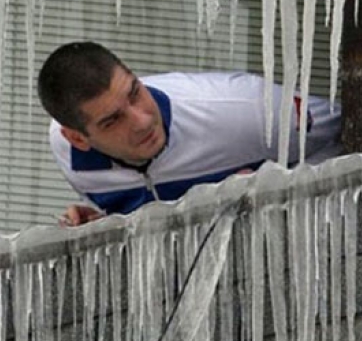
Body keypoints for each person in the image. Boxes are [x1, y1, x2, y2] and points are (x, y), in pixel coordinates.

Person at [37, 41, 343, 225]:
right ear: (78, 138)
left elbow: (352, 134)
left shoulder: (248, 110)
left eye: (134, 93)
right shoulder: (68, 154)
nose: (142, 121)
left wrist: (277, 189)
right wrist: (108, 227)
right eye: (113, 120)